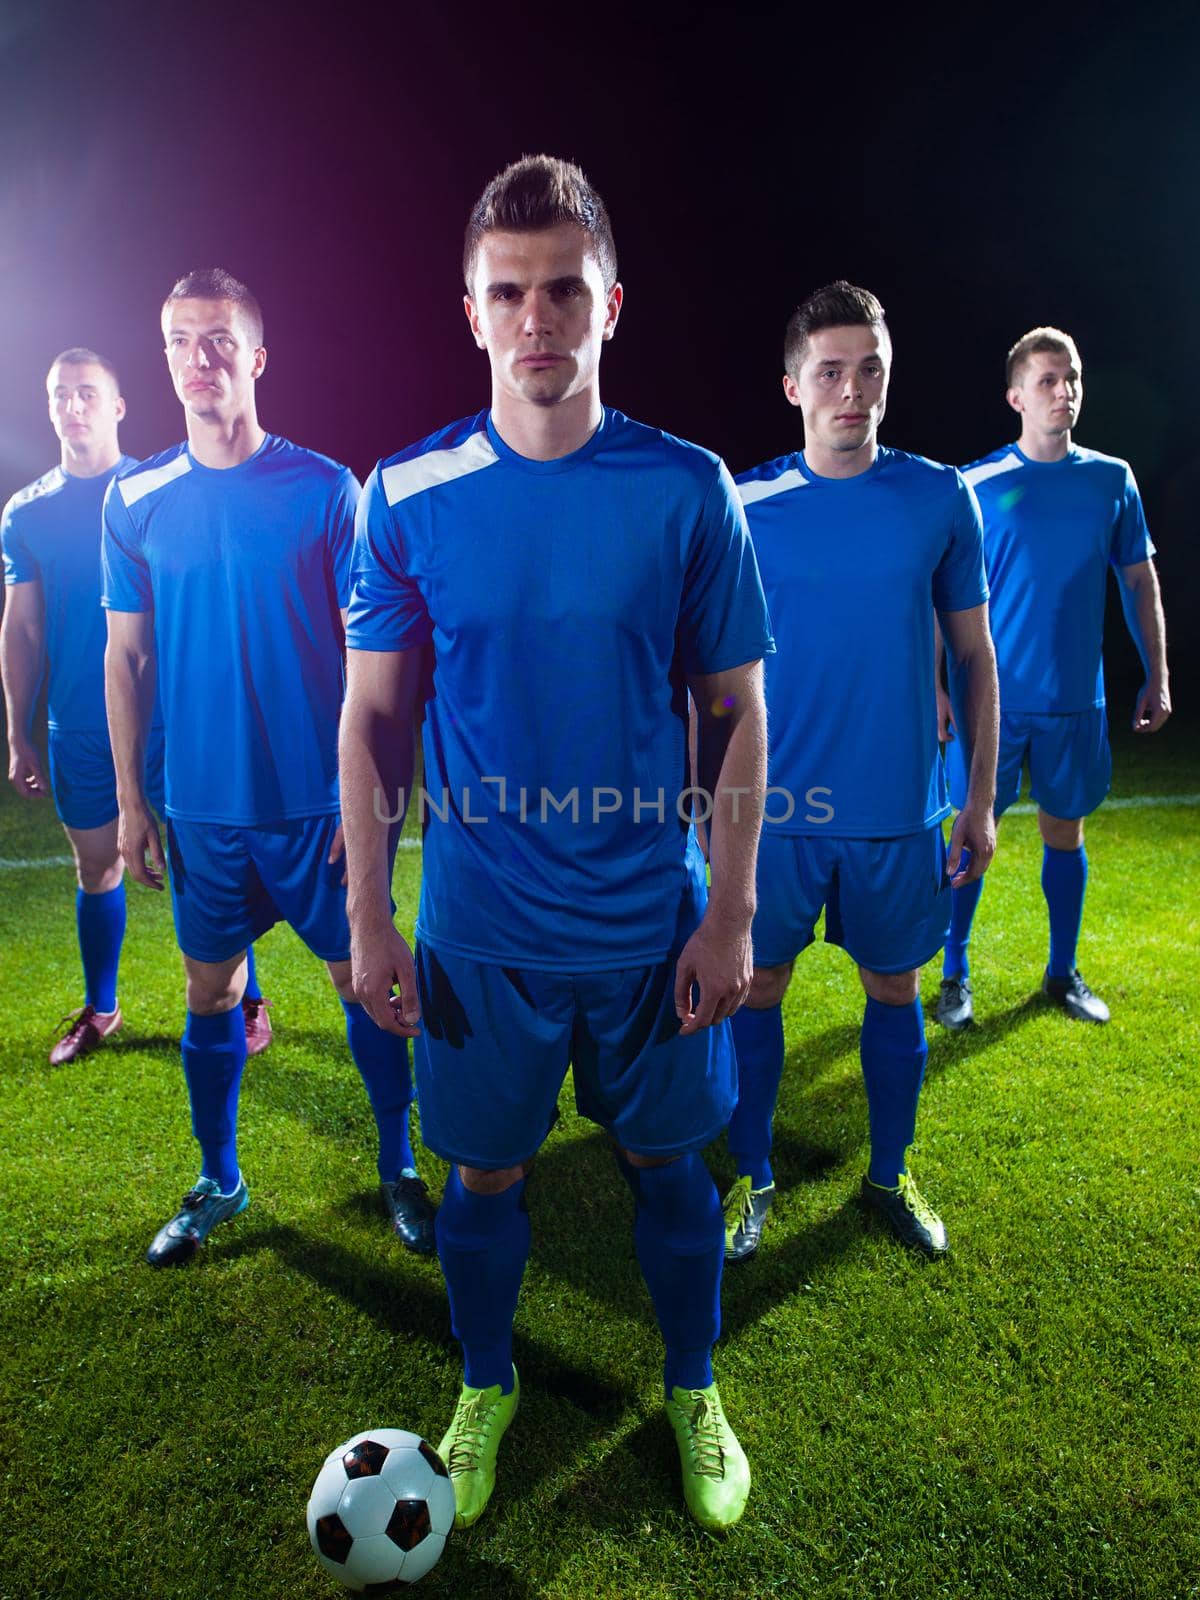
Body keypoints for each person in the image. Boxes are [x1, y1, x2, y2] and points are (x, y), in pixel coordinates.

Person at [338, 156, 772, 1533]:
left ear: (611, 305)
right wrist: (366, 917)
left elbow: (740, 714)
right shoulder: (404, 494)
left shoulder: (688, 488)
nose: (540, 318)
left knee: (672, 1172)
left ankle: (694, 1385)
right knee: (484, 1179)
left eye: (565, 291)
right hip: (480, 934)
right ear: (470, 312)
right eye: (510, 292)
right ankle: (485, 1380)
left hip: (652, 926)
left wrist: (732, 917)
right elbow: (369, 723)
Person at [102, 269, 434, 1265]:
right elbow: (125, 657)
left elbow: (376, 656)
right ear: (165, 358)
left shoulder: (327, 489)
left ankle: (399, 1167)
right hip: (202, 808)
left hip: (315, 807)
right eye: (180, 342)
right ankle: (220, 1179)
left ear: (257, 354)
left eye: (218, 341)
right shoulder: (137, 495)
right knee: (210, 996)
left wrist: (368, 794)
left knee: (367, 985)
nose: (199, 360)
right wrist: (129, 798)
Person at [725, 282, 999, 1264]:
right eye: (831, 371)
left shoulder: (938, 495)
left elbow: (974, 656)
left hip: (896, 811)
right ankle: (750, 1174)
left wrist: (975, 797)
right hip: (782, 813)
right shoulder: (746, 501)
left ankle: (890, 1173)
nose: (853, 390)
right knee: (758, 992)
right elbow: (708, 668)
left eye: (870, 370)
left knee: (895, 991)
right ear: (793, 382)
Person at [1, 348, 273, 1063]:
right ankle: (101, 1008)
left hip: (173, 725)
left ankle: (248, 999)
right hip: (78, 727)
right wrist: (16, 731)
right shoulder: (24, 513)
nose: (73, 406)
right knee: (97, 869)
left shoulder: (160, 490)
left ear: (118, 406)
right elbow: (22, 628)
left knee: (214, 863)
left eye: (88, 392)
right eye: (61, 394)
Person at [936, 327, 1170, 1030]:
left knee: (1064, 834)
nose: (1063, 391)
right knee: (969, 839)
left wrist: (1157, 673)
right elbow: (931, 593)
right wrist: (939, 688)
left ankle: (1062, 973)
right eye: (1047, 380)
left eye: (1071, 378)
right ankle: (953, 977)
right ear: (1016, 396)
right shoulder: (975, 486)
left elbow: (1139, 582)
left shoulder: (1111, 480)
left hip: (1076, 699)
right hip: (991, 707)